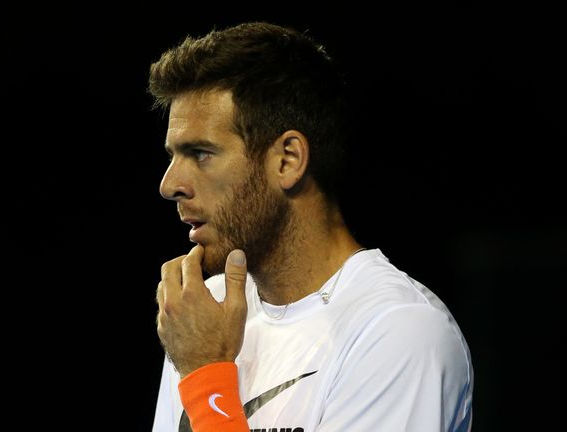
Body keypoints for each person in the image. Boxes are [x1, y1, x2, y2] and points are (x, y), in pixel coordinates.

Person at [150, 22, 473, 432]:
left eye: (200, 153)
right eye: (174, 155)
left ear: (288, 160)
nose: (169, 185)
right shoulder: (202, 312)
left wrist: (207, 379)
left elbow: (206, 387)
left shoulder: (400, 331)